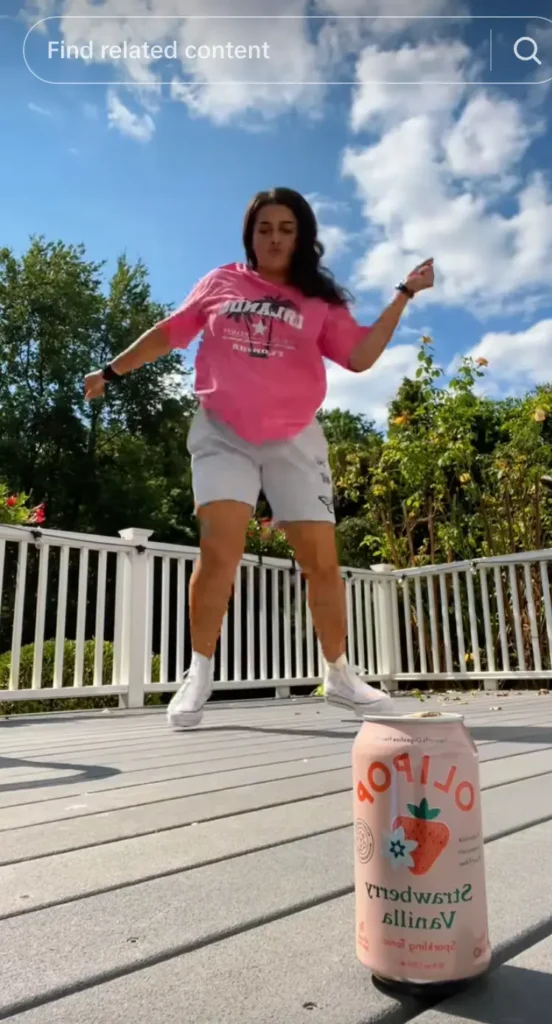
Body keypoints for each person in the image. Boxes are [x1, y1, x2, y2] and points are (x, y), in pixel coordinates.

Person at [84, 187, 434, 730]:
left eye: (286, 229)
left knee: (321, 559)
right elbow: (168, 334)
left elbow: (360, 356)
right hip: (224, 431)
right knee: (219, 549)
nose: (274, 238)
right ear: (250, 234)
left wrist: (404, 294)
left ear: (302, 237)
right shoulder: (221, 282)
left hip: (295, 437)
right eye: (264, 227)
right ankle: (198, 671)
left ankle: (338, 675)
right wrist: (110, 372)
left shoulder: (318, 299)